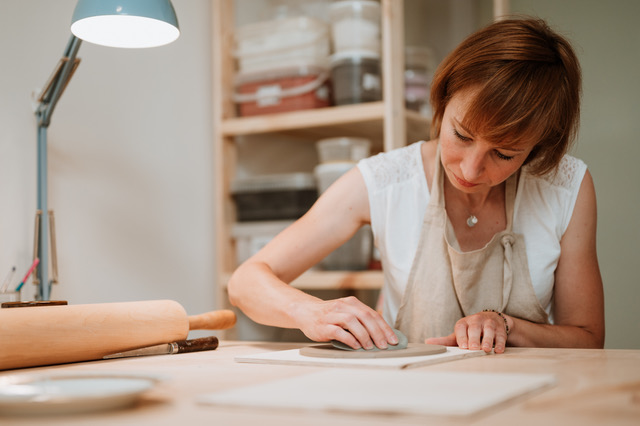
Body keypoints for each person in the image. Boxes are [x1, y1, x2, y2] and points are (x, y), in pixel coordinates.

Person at [227, 17, 605, 354]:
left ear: (539, 147)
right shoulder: (387, 179)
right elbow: (246, 281)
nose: (471, 169)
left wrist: (508, 326)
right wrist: (311, 310)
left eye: (504, 154)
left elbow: (589, 336)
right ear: (442, 100)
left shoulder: (566, 187)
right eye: (460, 134)